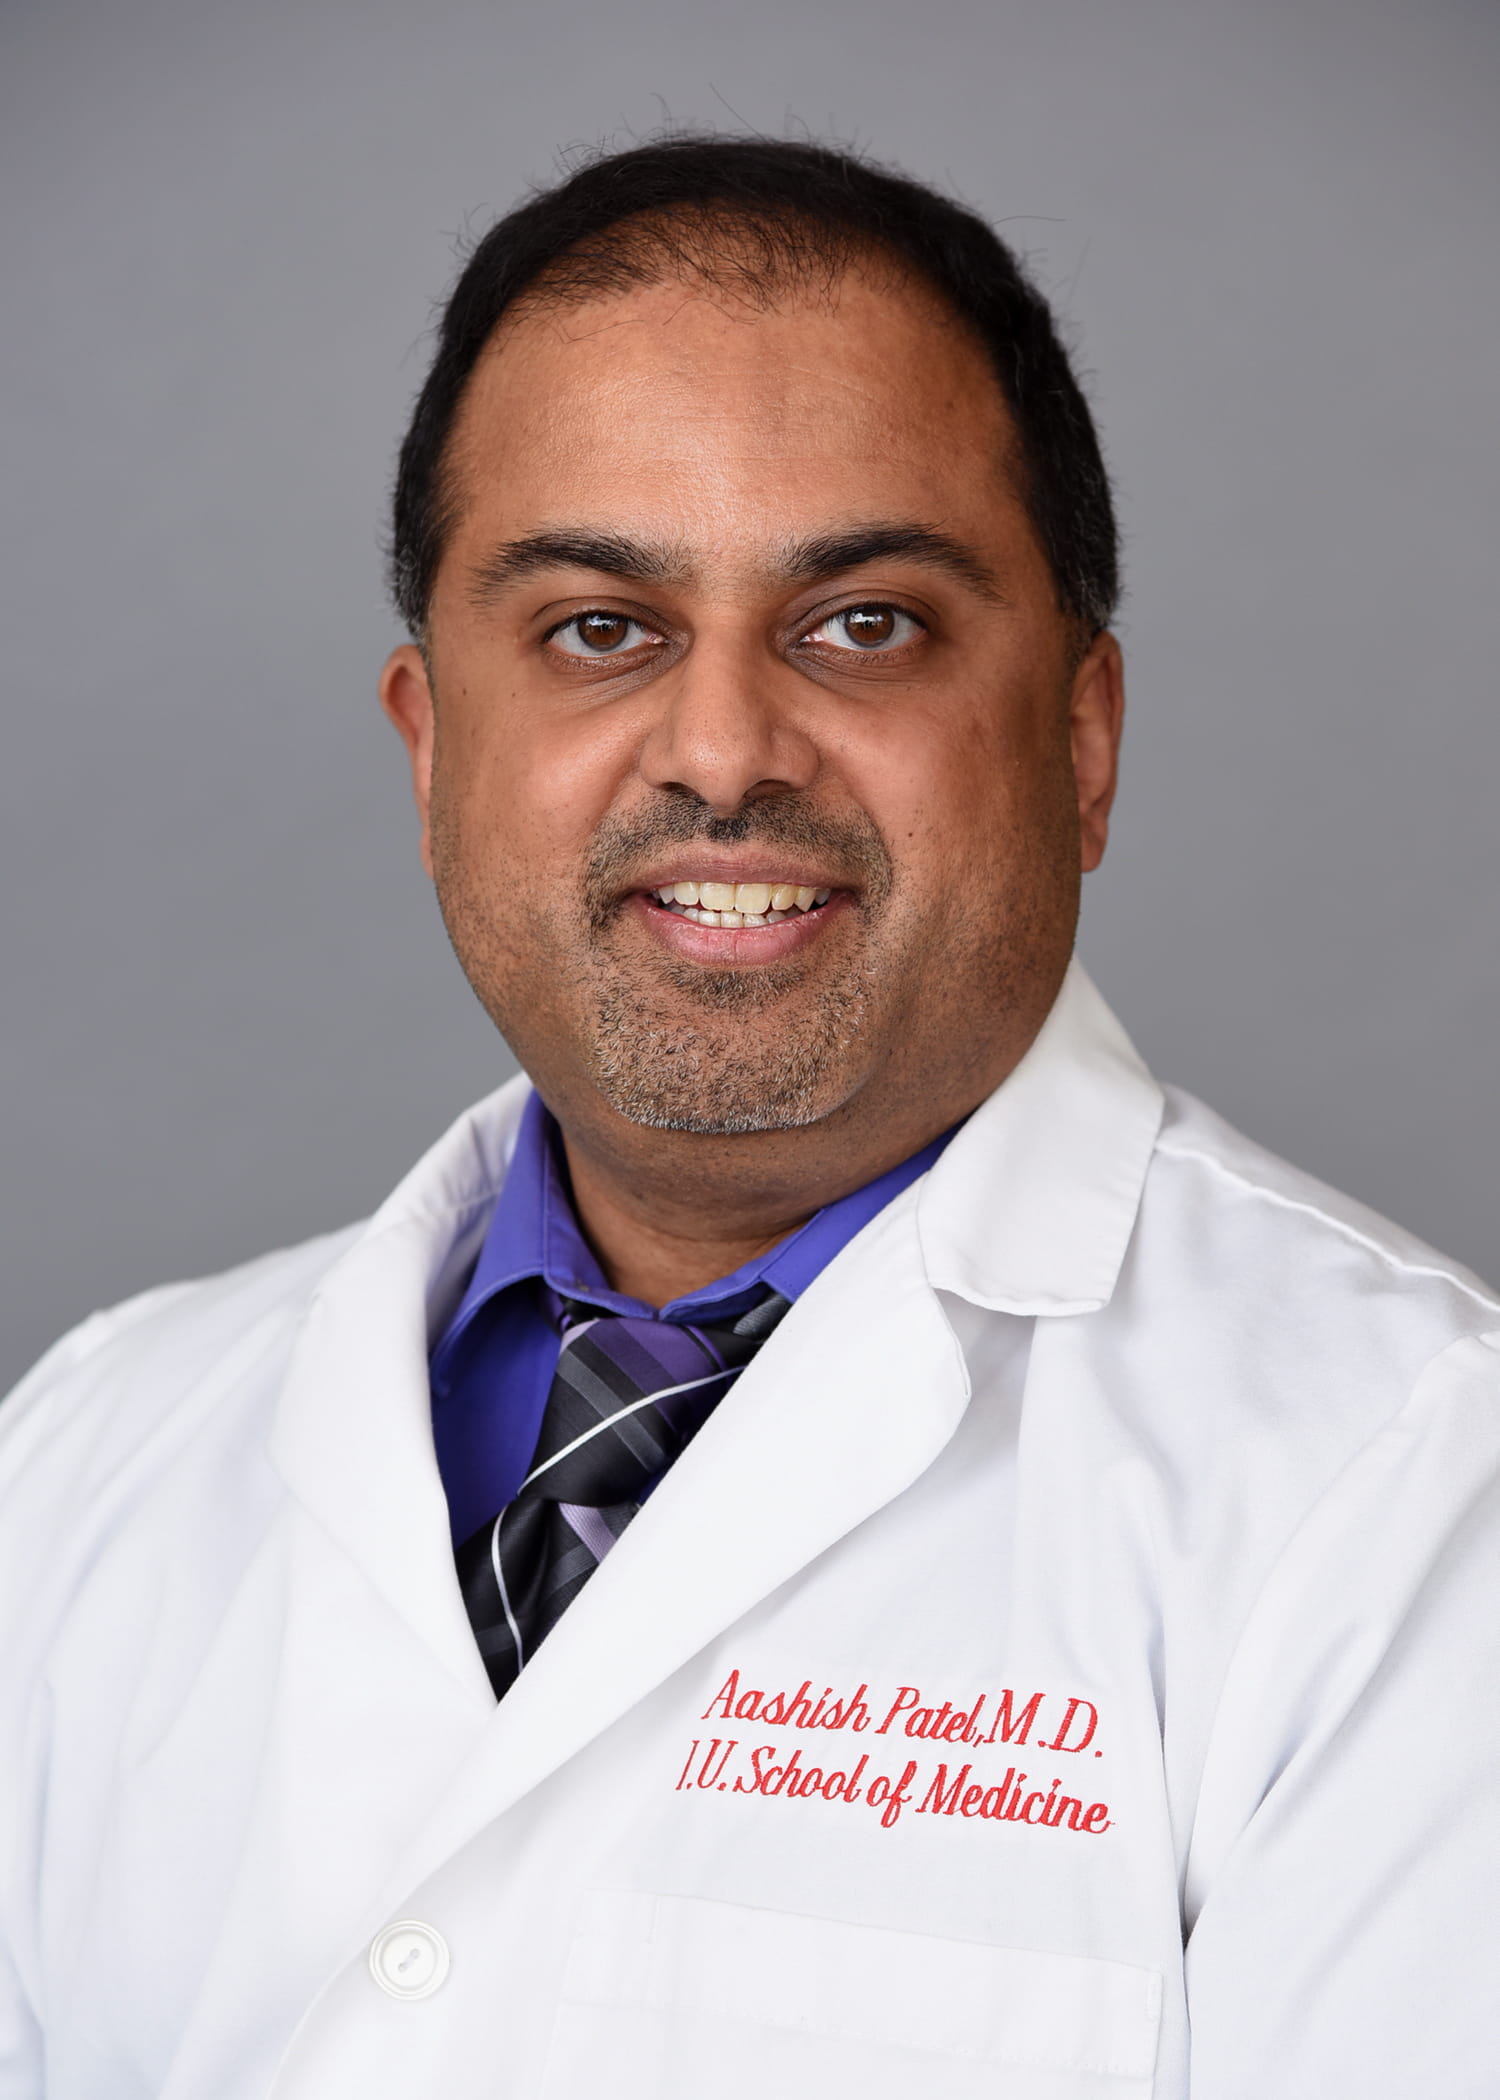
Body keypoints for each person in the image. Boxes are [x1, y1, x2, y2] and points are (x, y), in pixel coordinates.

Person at [1, 134, 1496, 2100]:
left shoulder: (1408, 1504)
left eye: (862, 621)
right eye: (598, 628)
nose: (720, 748)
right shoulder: (88, 1450)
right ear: (432, 748)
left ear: (1080, 738)